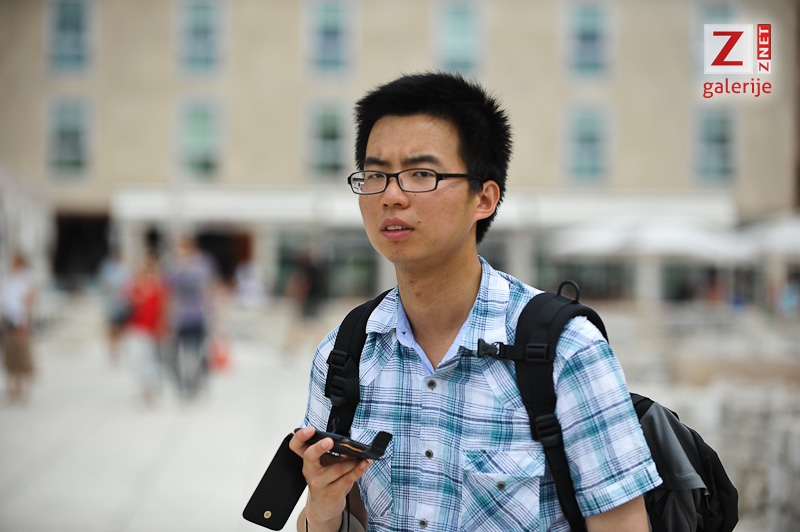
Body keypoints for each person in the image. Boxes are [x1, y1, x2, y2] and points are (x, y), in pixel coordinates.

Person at [289, 72, 662, 532]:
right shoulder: (344, 353)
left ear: (483, 198)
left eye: (421, 174)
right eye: (376, 174)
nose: (391, 195)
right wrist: (323, 511)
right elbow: (332, 517)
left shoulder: (568, 351)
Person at [165, 234, 217, 399]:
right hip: (178, 318)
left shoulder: (203, 263)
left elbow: (208, 287)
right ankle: (183, 385)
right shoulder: (173, 263)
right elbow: (167, 288)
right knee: (175, 356)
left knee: (194, 354)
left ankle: (193, 384)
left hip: (198, 316)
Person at [124, 251, 168, 406]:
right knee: (136, 360)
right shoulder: (134, 285)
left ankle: (151, 387)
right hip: (136, 328)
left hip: (151, 330)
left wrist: (163, 326)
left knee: (150, 360)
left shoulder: (160, 286)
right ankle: (143, 388)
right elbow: (126, 302)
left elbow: (163, 308)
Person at [1, 253, 36, 404]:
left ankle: (22, 387)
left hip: (20, 322)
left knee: (22, 356)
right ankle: (12, 388)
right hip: (8, 321)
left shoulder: (25, 279)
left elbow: (29, 300)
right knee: (10, 356)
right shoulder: (8, 279)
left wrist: (24, 322)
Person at [98, 247, 131, 364]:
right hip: (111, 304)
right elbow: (104, 284)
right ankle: (113, 351)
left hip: (123, 304)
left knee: (121, 329)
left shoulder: (124, 267)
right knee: (112, 329)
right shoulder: (107, 267)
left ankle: (120, 349)